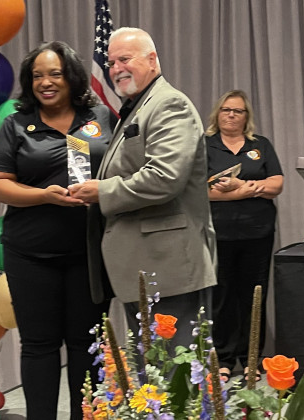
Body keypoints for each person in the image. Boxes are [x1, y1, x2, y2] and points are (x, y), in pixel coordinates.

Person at [0, 41, 116, 420]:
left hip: (89, 254)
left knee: (85, 346)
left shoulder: (99, 118)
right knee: (39, 346)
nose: (45, 82)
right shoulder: (16, 124)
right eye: (37, 75)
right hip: (31, 256)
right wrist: (44, 196)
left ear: (71, 77)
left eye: (54, 73)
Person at [69, 27, 217, 350]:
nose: (116, 68)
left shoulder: (169, 104)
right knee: (153, 382)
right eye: (110, 63)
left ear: (152, 60)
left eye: (124, 59)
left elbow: (165, 177)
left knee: (177, 381)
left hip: (169, 270)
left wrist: (102, 192)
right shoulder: (137, 107)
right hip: (144, 269)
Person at [204, 90, 284, 382]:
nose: (231, 115)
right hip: (219, 233)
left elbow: (277, 183)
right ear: (217, 113)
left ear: (246, 116)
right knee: (222, 297)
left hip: (257, 233)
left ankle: (252, 358)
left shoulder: (260, 145)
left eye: (238, 111)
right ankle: (223, 359)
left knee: (254, 295)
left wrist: (240, 185)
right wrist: (247, 191)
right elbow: (202, 192)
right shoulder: (205, 145)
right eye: (226, 110)